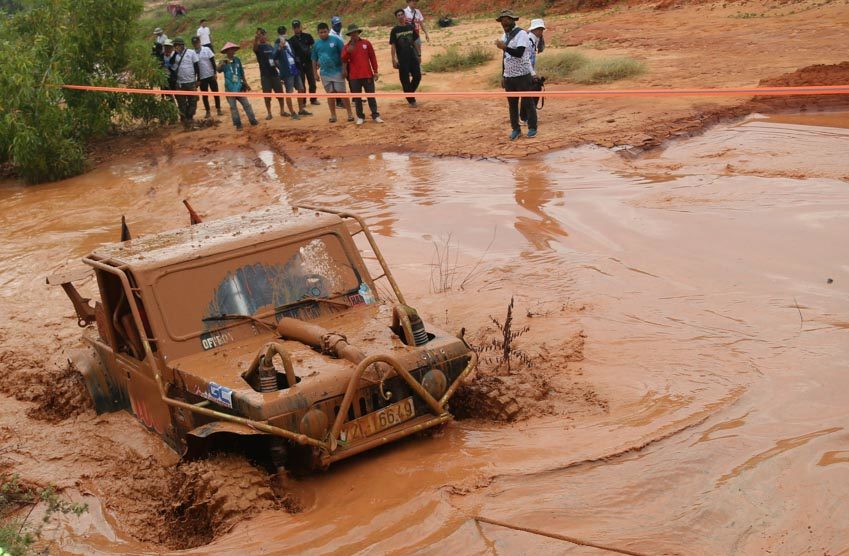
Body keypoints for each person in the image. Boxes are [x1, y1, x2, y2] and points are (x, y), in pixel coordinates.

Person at [495, 10, 537, 140]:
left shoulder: (522, 34)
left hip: (522, 75)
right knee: (512, 105)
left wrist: (504, 48)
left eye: (506, 20)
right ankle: (515, 129)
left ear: (513, 20)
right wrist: (503, 75)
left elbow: (519, 53)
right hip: (509, 77)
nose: (504, 23)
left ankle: (532, 127)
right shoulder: (504, 35)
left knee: (527, 102)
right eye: (502, 21)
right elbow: (505, 57)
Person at [312, 22, 354, 124]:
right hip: (324, 74)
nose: (323, 34)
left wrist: (344, 69)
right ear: (318, 33)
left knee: (342, 93)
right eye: (320, 32)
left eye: (324, 32)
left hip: (338, 71)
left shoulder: (336, 40)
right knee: (330, 94)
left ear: (328, 31)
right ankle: (333, 115)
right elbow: (313, 59)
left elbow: (344, 55)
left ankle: (350, 114)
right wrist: (315, 73)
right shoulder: (316, 44)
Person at [342, 24, 383, 125]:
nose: (353, 35)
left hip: (367, 74)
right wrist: (348, 52)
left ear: (358, 33)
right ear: (349, 34)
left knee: (371, 96)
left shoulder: (366, 43)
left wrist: (375, 71)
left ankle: (375, 115)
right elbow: (343, 59)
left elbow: (372, 57)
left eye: (355, 32)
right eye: (351, 33)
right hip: (354, 76)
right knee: (357, 98)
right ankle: (360, 116)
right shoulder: (346, 46)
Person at [218, 42, 258, 130]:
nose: (232, 51)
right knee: (233, 107)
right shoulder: (223, 61)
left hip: (239, 86)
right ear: (226, 51)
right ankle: (238, 124)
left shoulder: (237, 60)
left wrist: (246, 83)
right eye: (230, 50)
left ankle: (253, 120)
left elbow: (241, 73)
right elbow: (218, 70)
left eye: (233, 49)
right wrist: (222, 64)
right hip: (229, 88)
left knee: (246, 104)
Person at [273, 33, 311, 119]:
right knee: (289, 92)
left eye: (284, 32)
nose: (283, 35)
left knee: (301, 89)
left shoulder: (288, 43)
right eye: (281, 33)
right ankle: (292, 113)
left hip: (294, 68)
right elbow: (274, 56)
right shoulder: (277, 43)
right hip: (287, 71)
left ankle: (301, 110)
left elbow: (293, 53)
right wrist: (280, 47)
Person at [253, 27, 288, 120]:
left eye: (262, 35)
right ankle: (269, 113)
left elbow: (275, 59)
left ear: (265, 35)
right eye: (259, 35)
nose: (261, 37)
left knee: (280, 93)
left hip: (274, 74)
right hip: (265, 75)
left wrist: (280, 70)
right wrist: (256, 39)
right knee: (267, 95)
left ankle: (282, 110)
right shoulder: (258, 47)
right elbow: (254, 48)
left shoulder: (270, 46)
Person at [390, 8, 421, 107]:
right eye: (398, 15)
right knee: (404, 79)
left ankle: (409, 93)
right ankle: (411, 101)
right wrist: (393, 59)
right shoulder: (395, 30)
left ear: (404, 16)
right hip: (402, 59)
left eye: (401, 14)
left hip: (412, 56)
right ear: (396, 17)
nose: (400, 16)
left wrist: (419, 54)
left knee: (417, 76)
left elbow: (415, 42)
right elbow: (393, 45)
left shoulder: (410, 27)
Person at [289, 20, 320, 106]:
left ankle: (313, 99)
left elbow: (314, 48)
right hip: (299, 65)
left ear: (300, 27)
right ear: (293, 29)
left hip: (309, 62)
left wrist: (316, 60)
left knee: (312, 82)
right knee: (301, 84)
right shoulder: (291, 40)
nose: (297, 29)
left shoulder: (308, 36)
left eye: (298, 27)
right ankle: (303, 101)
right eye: (295, 28)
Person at [520, 18, 545, 126]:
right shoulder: (530, 40)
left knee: (532, 92)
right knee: (530, 93)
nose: (541, 32)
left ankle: (526, 116)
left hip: (527, 69)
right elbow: (527, 59)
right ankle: (525, 117)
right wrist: (533, 74)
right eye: (540, 29)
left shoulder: (534, 39)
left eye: (542, 29)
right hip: (525, 70)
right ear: (534, 30)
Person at [172, 37, 200, 130]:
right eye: (174, 46)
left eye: (176, 45)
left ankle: (190, 117)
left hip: (191, 82)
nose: (175, 47)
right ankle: (184, 119)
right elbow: (171, 67)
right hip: (180, 83)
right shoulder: (174, 55)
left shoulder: (191, 53)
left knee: (193, 100)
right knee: (181, 102)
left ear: (182, 45)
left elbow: (197, 67)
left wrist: (198, 79)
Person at [192, 36, 222, 118]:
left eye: (197, 42)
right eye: (194, 43)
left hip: (210, 75)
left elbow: (212, 61)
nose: (196, 44)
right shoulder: (193, 53)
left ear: (199, 42)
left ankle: (218, 109)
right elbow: (195, 67)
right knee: (204, 95)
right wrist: (197, 79)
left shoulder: (206, 49)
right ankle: (208, 111)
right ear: (193, 44)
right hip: (201, 77)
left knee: (216, 92)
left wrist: (214, 73)